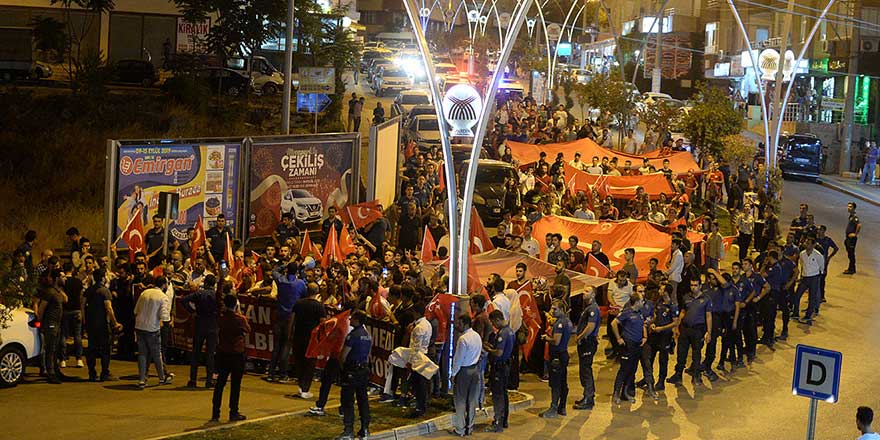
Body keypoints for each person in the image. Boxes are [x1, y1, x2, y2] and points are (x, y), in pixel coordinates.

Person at [211, 294, 251, 423]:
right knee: (235, 384)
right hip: (236, 354)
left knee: (220, 384)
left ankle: (215, 413)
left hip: (223, 352)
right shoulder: (240, 319)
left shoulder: (221, 318)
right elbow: (248, 329)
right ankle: (233, 411)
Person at [667, 278, 712, 387]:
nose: (693, 287)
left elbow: (708, 316)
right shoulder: (686, 297)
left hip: (698, 329)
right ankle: (678, 375)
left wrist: (708, 332)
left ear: (700, 286)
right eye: (692, 285)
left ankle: (696, 375)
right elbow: (682, 312)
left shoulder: (706, 299)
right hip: (685, 329)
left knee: (696, 354)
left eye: (696, 285)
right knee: (681, 353)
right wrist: (677, 327)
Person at [267, 262, 306, 382]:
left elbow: (274, 271)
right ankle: (283, 374)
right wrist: (301, 272)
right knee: (286, 345)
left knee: (277, 344)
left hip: (280, 315)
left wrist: (284, 266)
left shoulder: (281, 280)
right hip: (291, 318)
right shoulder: (300, 283)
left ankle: (271, 372)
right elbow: (304, 293)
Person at [338, 310, 372, 440]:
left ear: (357, 320)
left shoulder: (352, 336)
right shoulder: (367, 335)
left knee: (348, 401)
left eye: (352, 319)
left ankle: (348, 431)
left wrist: (343, 369)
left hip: (352, 371)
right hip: (363, 370)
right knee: (363, 400)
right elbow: (368, 355)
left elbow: (343, 355)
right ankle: (365, 429)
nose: (350, 320)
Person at [83, 269, 122, 382]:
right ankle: (105, 372)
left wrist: (85, 321)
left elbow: (82, 305)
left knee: (91, 348)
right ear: (104, 278)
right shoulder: (105, 291)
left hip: (91, 323)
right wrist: (115, 323)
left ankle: (92, 372)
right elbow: (109, 308)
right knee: (105, 349)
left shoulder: (89, 290)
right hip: (102, 324)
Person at [134, 277, 173, 389]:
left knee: (142, 353)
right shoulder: (163, 297)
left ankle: (142, 379)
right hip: (152, 328)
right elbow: (164, 317)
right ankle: (161, 377)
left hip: (140, 326)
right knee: (156, 354)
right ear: (164, 285)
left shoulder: (144, 293)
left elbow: (136, 310)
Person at [183, 274, 220, 388]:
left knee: (196, 353)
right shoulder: (216, 295)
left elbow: (184, 300)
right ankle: (209, 380)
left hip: (200, 324)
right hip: (213, 325)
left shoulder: (199, 294)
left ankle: (193, 380)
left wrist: (192, 311)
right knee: (210, 354)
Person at [449, 314, 482, 437]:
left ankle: (460, 429)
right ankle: (470, 427)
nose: (457, 325)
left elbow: (458, 359)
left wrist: (453, 374)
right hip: (475, 370)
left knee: (460, 401)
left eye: (459, 323)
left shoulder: (463, 339)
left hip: (464, 371)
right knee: (472, 400)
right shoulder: (477, 336)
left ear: (465, 324)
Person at [291, 282, 325, 399]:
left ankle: (301, 386)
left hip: (298, 336)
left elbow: (292, 320)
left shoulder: (298, 304)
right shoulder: (319, 306)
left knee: (299, 362)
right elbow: (322, 323)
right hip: (312, 339)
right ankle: (305, 388)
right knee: (309, 364)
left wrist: (290, 333)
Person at [611, 294, 646, 404]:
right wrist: (618, 338)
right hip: (628, 345)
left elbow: (642, 325)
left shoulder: (640, 313)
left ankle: (624, 393)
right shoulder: (627, 312)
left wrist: (644, 337)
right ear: (636, 302)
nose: (643, 303)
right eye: (641, 301)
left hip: (637, 345)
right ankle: (616, 394)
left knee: (632, 370)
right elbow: (614, 323)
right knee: (624, 370)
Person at [540, 300, 572, 418]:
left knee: (555, 384)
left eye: (555, 309)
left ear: (562, 310)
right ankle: (561, 407)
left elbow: (556, 341)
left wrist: (546, 338)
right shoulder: (568, 321)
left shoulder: (559, 324)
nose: (552, 311)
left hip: (557, 357)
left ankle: (553, 408)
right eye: (552, 308)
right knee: (563, 382)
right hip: (563, 354)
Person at [484, 310, 514, 433]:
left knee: (497, 395)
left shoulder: (503, 333)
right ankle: (504, 420)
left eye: (493, 322)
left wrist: (488, 349)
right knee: (503, 393)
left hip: (499, 367)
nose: (493, 325)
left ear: (497, 319)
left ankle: (498, 422)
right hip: (505, 366)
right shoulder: (510, 331)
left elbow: (499, 352)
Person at [37, 269, 67, 384]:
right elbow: (41, 309)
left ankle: (56, 370)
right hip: (51, 324)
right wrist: (40, 322)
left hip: (57, 324)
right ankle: (51, 373)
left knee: (56, 349)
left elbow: (66, 299)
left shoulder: (57, 291)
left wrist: (59, 288)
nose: (64, 279)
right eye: (62, 277)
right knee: (50, 349)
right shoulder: (49, 292)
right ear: (56, 278)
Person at [574, 287, 600, 410]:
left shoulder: (593, 309)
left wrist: (580, 336)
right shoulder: (588, 308)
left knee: (586, 371)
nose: (583, 293)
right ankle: (587, 395)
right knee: (583, 370)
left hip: (587, 342)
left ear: (593, 295)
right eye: (583, 290)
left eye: (587, 291)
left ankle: (588, 399)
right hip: (585, 342)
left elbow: (590, 326)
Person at [648, 285, 678, 390]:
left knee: (663, 359)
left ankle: (661, 382)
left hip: (665, 336)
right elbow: (655, 315)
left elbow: (675, 322)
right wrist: (652, 323)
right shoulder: (659, 302)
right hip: (655, 334)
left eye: (661, 289)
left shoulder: (673, 306)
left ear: (666, 292)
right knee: (649, 357)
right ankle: (647, 378)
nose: (659, 290)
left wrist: (662, 328)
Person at [794, 236, 825, 325]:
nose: (806, 244)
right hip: (804, 277)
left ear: (813, 245)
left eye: (808, 243)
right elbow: (802, 264)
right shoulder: (802, 254)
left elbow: (821, 266)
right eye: (806, 243)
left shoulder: (818, 255)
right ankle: (795, 313)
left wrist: (819, 275)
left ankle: (808, 315)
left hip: (814, 277)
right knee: (797, 295)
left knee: (812, 297)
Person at [843, 202, 861, 275]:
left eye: (850, 207)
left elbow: (859, 225)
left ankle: (852, 269)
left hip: (851, 239)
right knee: (849, 253)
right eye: (848, 206)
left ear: (854, 208)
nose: (848, 208)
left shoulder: (854, 217)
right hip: (848, 237)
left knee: (851, 254)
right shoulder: (851, 216)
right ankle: (850, 268)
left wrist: (855, 234)